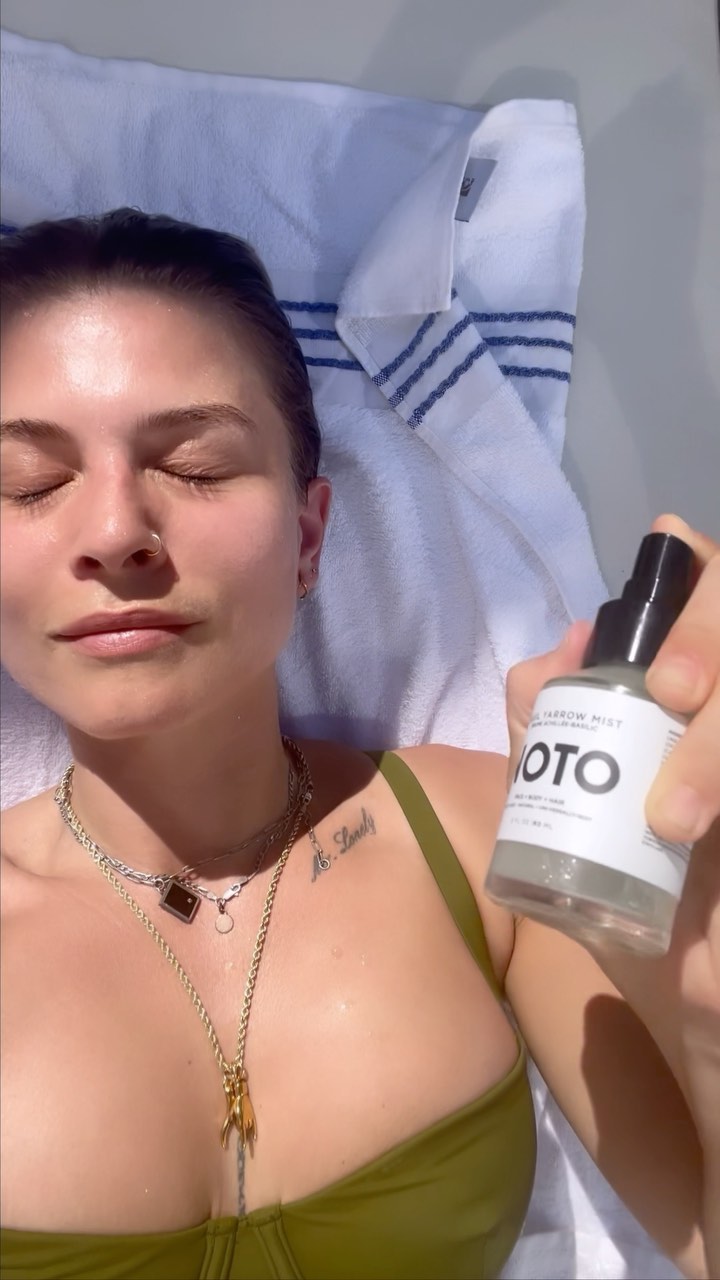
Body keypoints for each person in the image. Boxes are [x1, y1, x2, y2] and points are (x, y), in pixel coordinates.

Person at [0, 209, 717, 1280]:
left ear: (307, 538)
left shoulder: (492, 841)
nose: (113, 531)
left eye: (195, 465)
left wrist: (703, 965)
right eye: (30, 483)